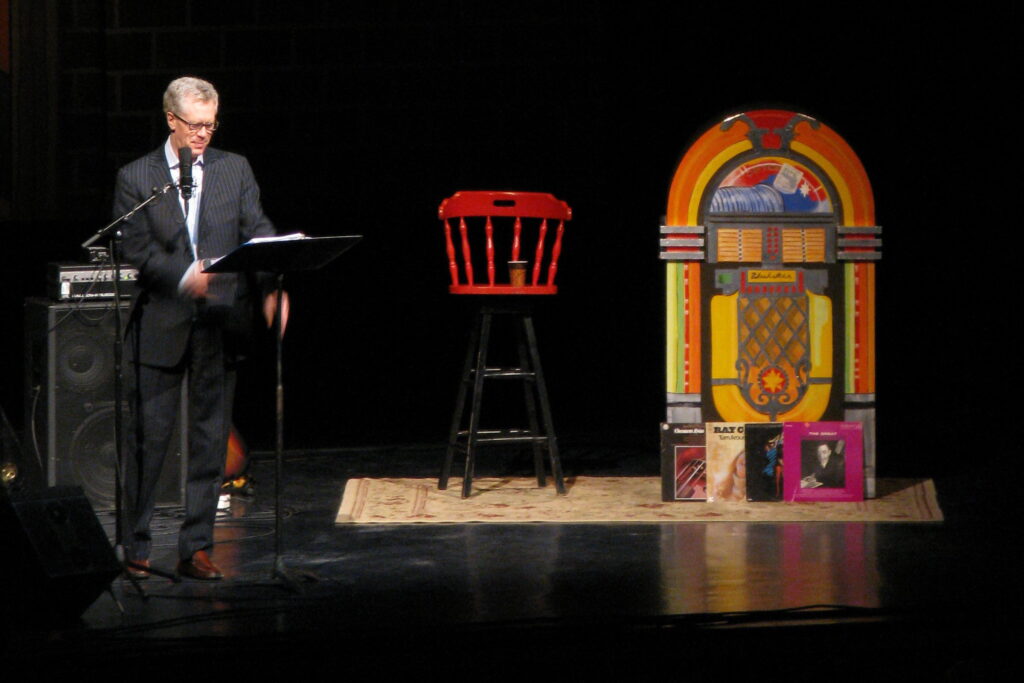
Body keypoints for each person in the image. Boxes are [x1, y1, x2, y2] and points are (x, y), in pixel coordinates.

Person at [115, 76, 287, 580]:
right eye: (194, 125)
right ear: (171, 120)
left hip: (220, 322)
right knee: (149, 440)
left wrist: (273, 286)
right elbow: (134, 248)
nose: (203, 135)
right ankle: (136, 547)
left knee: (211, 439)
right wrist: (183, 276)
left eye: (211, 125)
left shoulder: (234, 169)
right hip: (163, 323)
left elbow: (258, 231)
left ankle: (196, 547)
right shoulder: (137, 176)